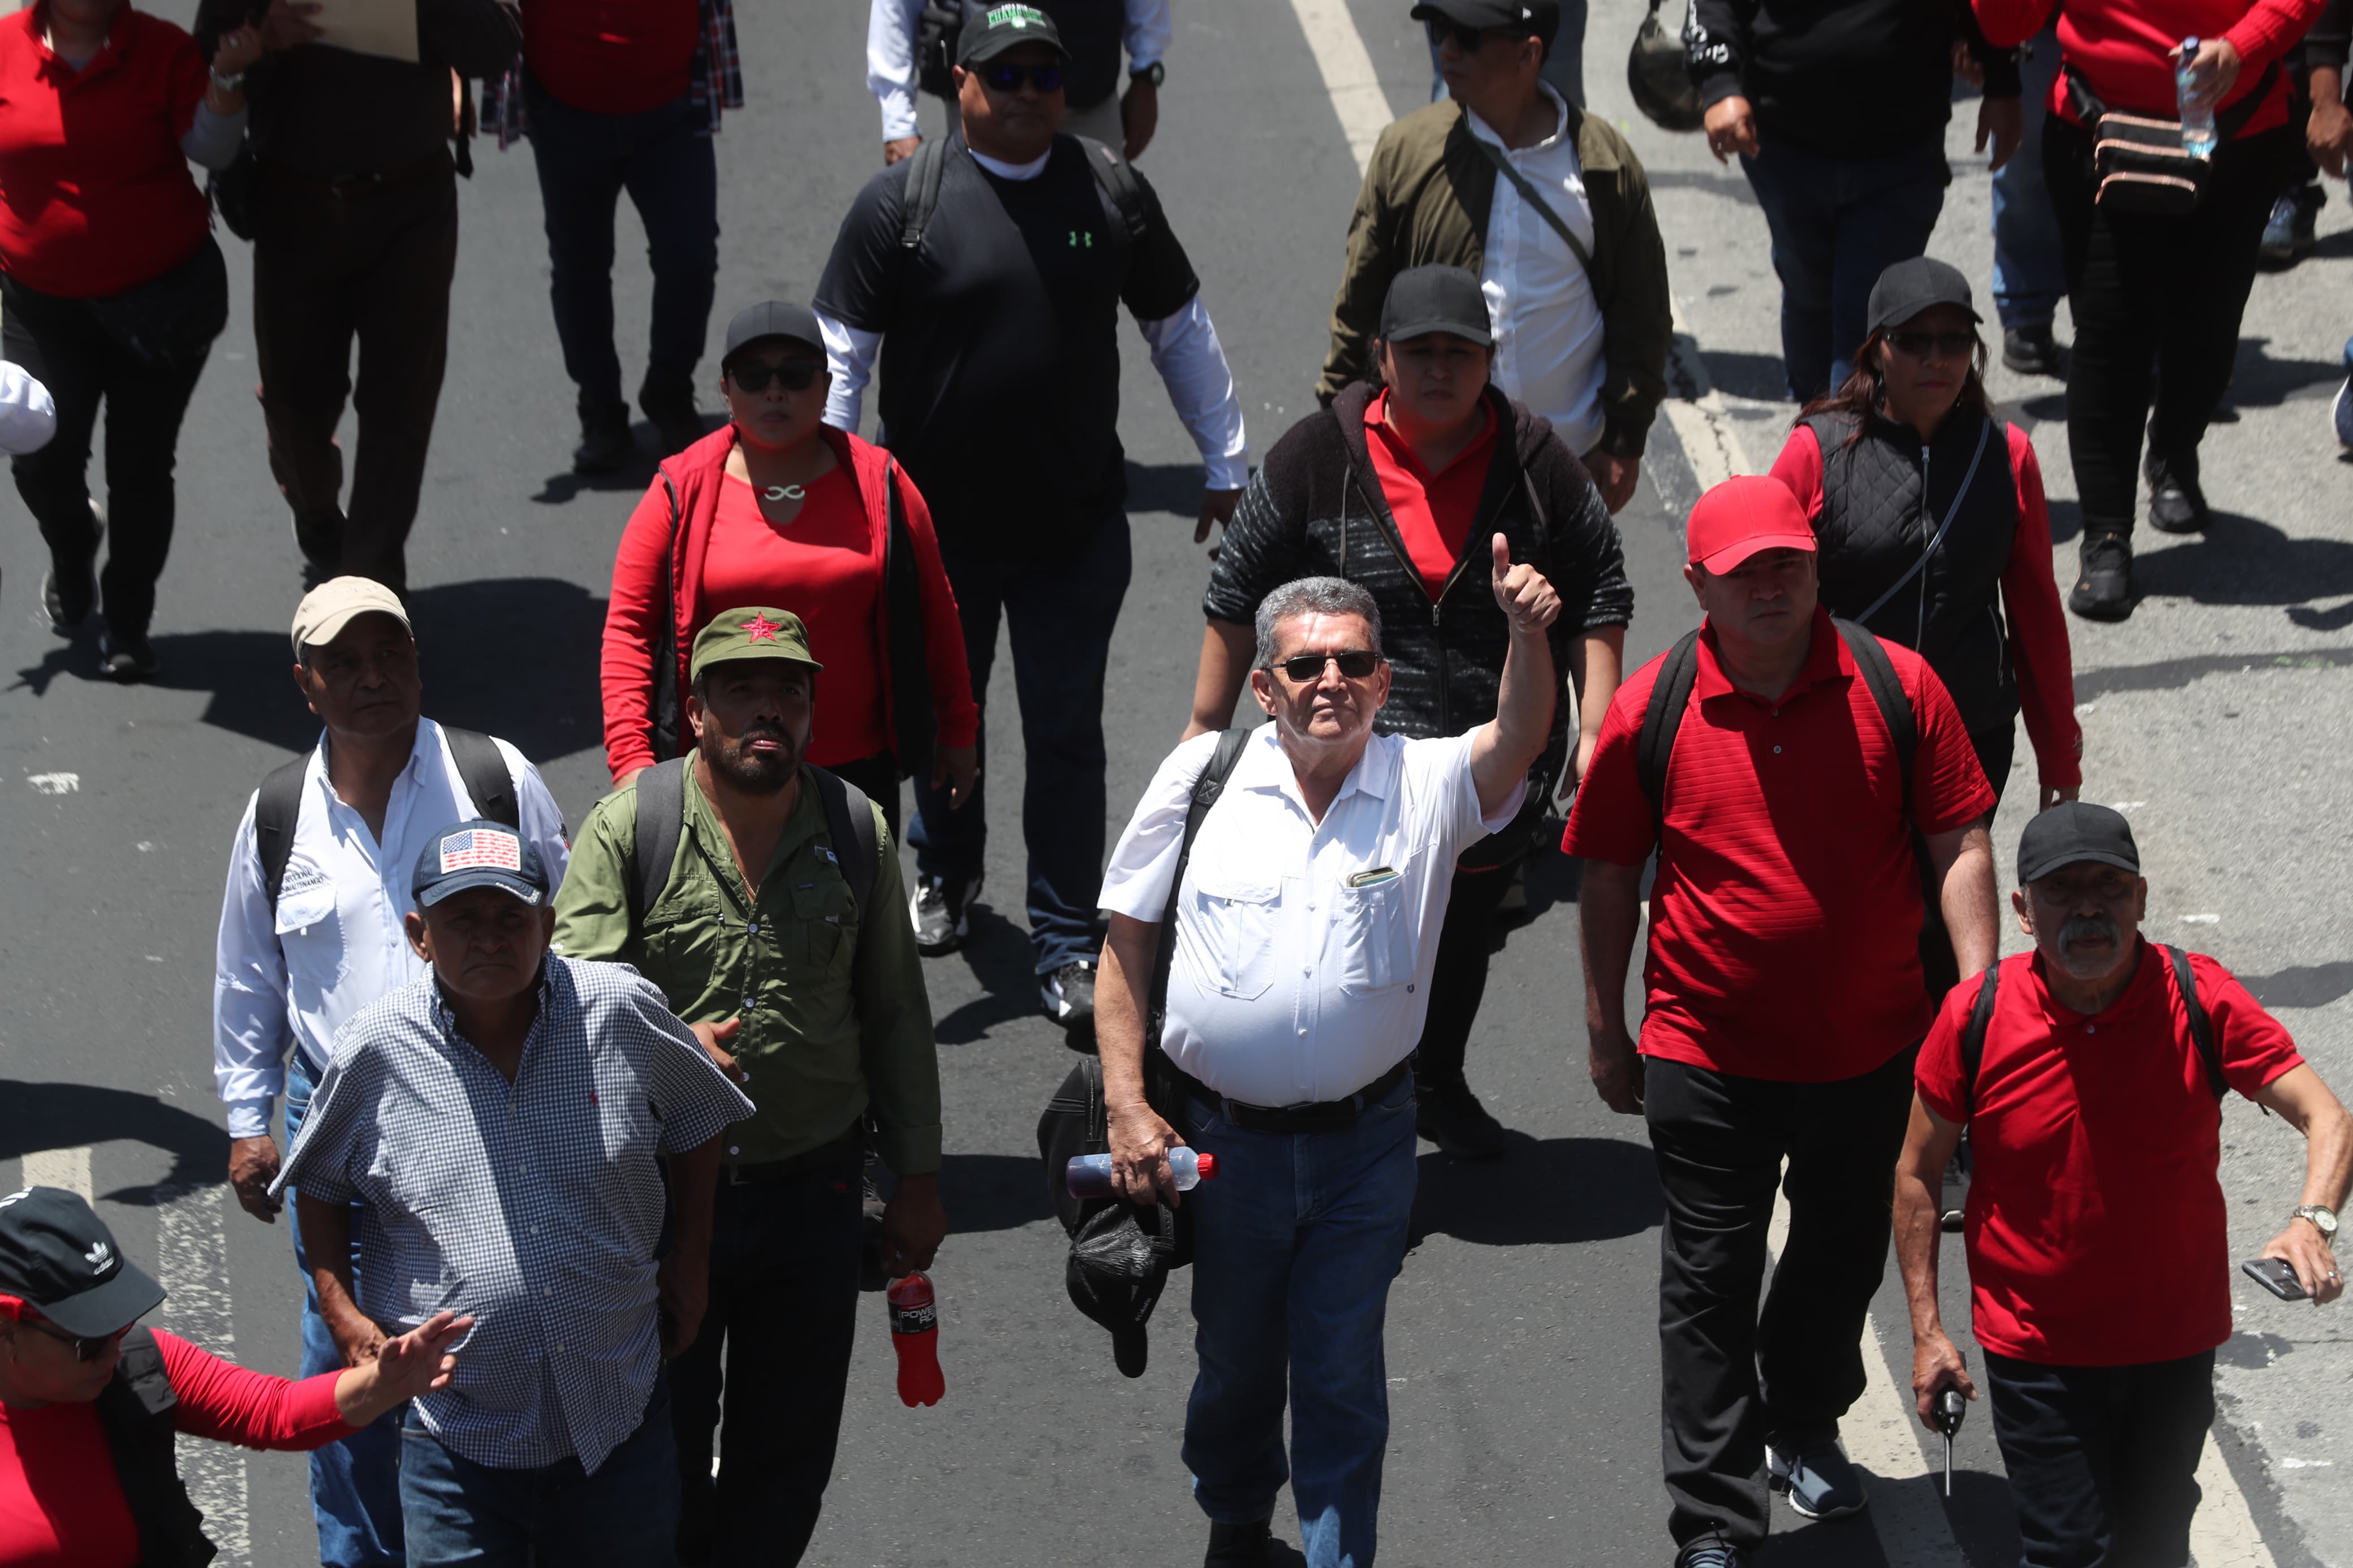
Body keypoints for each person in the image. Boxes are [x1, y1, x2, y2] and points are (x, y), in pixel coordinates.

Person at [1565, 476, 1999, 1568]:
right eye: (1746, 570)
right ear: (1698, 584)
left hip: (1875, 1050)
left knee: (1842, 1250)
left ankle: (1802, 1416)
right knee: (1706, 1282)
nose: (1772, 584)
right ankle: (1714, 1514)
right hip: (1706, 1056)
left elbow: (1960, 840)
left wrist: (1979, 1000)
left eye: (1789, 563)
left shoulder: (1898, 687)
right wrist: (1607, 1027)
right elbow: (1611, 872)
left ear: (1816, 566)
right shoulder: (1650, 708)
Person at [1097, 564, 1563, 1568]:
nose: (1331, 681)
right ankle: (1233, 1512)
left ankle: (1334, 1555)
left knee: (1342, 1366)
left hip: (1368, 1147)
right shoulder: (1200, 781)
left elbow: (1519, 739)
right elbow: (1127, 941)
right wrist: (1128, 1106)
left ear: (1384, 680)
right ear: (1263, 686)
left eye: (1354, 661)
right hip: (1222, 1151)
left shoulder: (1426, 782)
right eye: (1305, 664)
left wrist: (1529, 636)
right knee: (1233, 1360)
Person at [815, 3, 1248, 1025]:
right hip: (936, 537)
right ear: (958, 82)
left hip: (1073, 529)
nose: (1027, 94)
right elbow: (843, 353)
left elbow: (1177, 325)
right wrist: (833, 487)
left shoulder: (1109, 188)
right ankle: (947, 871)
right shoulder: (903, 204)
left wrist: (1224, 456)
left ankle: (1062, 935)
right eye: (1004, 76)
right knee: (937, 727)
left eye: (1045, 77)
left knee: (1065, 734)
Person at [1198, 265, 1632, 1159]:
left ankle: (1437, 1079)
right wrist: (1206, 726)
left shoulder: (1537, 460)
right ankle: (1367, 1119)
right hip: (1346, 764)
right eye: (1422, 352)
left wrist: (1599, 727)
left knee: (1466, 932)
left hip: (1491, 763)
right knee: (1362, 937)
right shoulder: (1315, 457)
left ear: (1489, 361)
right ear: (1382, 358)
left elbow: (1601, 588)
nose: (1442, 369)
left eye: (1462, 353)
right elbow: (1238, 589)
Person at [552, 607, 946, 1567]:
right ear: (697, 710)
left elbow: (894, 1009)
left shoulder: (855, 827)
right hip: (657, 1197)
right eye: (741, 688)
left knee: (788, 1455)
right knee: (662, 1449)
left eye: (788, 689)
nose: (767, 707)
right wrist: (667, 1044)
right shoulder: (631, 825)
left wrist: (919, 1173)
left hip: (812, 1192)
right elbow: (566, 1006)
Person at [273, 818, 753, 1567]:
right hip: (457, 1444)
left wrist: (692, 1259)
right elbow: (322, 1181)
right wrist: (340, 1310)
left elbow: (698, 1116)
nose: (490, 938)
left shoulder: (619, 1010)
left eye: (511, 917)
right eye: (462, 918)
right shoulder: (373, 1051)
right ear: (419, 933)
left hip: (617, 1422)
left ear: (548, 925)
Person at [211, 577, 571, 1568]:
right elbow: (250, 976)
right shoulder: (279, 812)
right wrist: (250, 1122)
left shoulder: (494, 776)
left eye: (393, 655)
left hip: (487, 1095)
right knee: (350, 1354)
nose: (376, 679)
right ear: (307, 684)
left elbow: (571, 930)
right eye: (347, 664)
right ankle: (362, 1555)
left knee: (493, 1325)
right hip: (338, 1120)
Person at [1895, 804, 2353, 1568]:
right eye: (2060, 890)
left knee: (2156, 1548)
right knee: (2069, 1551)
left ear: (2140, 898)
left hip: (2172, 1346)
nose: (2087, 908)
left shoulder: (2199, 996)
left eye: (2108, 887)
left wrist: (2313, 1220)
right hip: (2036, 1350)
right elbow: (1916, 1171)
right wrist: (1926, 1330)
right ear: (2023, 911)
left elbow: (2328, 1116)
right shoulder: (1975, 1015)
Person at [1768, 256, 2081, 996]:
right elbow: (1760, 597)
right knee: (1854, 908)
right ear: (1878, 348)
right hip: (1845, 728)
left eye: (1954, 341)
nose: (1937, 358)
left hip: (1969, 729)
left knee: (1945, 917)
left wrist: (2059, 757)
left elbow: (2036, 614)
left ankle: (1945, 1076)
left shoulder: (2007, 455)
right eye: (1916, 341)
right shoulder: (1816, 449)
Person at [1974, 0, 2321, 620]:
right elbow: (2005, 23)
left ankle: (2172, 451)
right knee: (2109, 336)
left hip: (2238, 136)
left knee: (2206, 326)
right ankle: (2106, 534)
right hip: (2100, 132)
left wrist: (2241, 46)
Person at [601, 300, 980, 832]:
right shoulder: (677, 490)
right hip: (722, 775)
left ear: (826, 389)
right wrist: (631, 761)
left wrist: (959, 729)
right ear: (726, 392)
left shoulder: (884, 482)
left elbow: (937, 611)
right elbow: (630, 632)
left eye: (795, 375)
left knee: (856, 915)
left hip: (856, 778)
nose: (774, 391)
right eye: (754, 377)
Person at [192, 0, 520, 596]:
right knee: (295, 398)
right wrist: (262, 39)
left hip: (412, 202)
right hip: (295, 205)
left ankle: (371, 579)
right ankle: (316, 509)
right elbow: (205, 55)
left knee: (401, 399)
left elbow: (498, 46)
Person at [0, 1185, 472, 1568]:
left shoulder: (136, 1364)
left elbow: (274, 1412)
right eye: (90, 1341)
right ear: (7, 1328)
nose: (115, 1350)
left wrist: (387, 1383)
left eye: (120, 1325)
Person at [1323, 0, 1671, 516]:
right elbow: (1361, 305)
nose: (1446, 48)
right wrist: (1336, 437)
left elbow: (1640, 311)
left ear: (1529, 54)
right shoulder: (1407, 153)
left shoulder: (1603, 164)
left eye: (1468, 36)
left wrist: (1624, 438)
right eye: (1442, 29)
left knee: (1560, 600)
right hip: (1434, 473)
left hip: (1566, 471)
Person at [0, 0, 256, 681]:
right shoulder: (4, 48)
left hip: (159, 305)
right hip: (41, 305)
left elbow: (209, 150)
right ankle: (73, 541)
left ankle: (128, 621)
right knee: (40, 458)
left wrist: (226, 82)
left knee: (141, 467)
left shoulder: (164, 49)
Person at [1689, 0, 2021, 401]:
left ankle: (1843, 453)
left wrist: (2001, 75)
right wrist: (1719, 82)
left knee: (1866, 319)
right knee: (1808, 294)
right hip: (1785, 147)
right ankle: (1809, 440)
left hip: (1901, 150)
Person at [481, 0, 735, 470]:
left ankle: (669, 390)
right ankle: (600, 411)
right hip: (563, 106)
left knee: (691, 257)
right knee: (580, 266)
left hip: (673, 101)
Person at [867, 0, 1169, 162]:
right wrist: (898, 117)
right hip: (988, 111)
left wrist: (1146, 71)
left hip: (1086, 104)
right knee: (984, 245)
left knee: (1099, 240)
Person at [1990, 19, 2070, 377]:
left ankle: (2142, 320)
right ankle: (2026, 309)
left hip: (2139, 16)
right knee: (2025, 166)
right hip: (2040, 22)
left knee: (2136, 161)